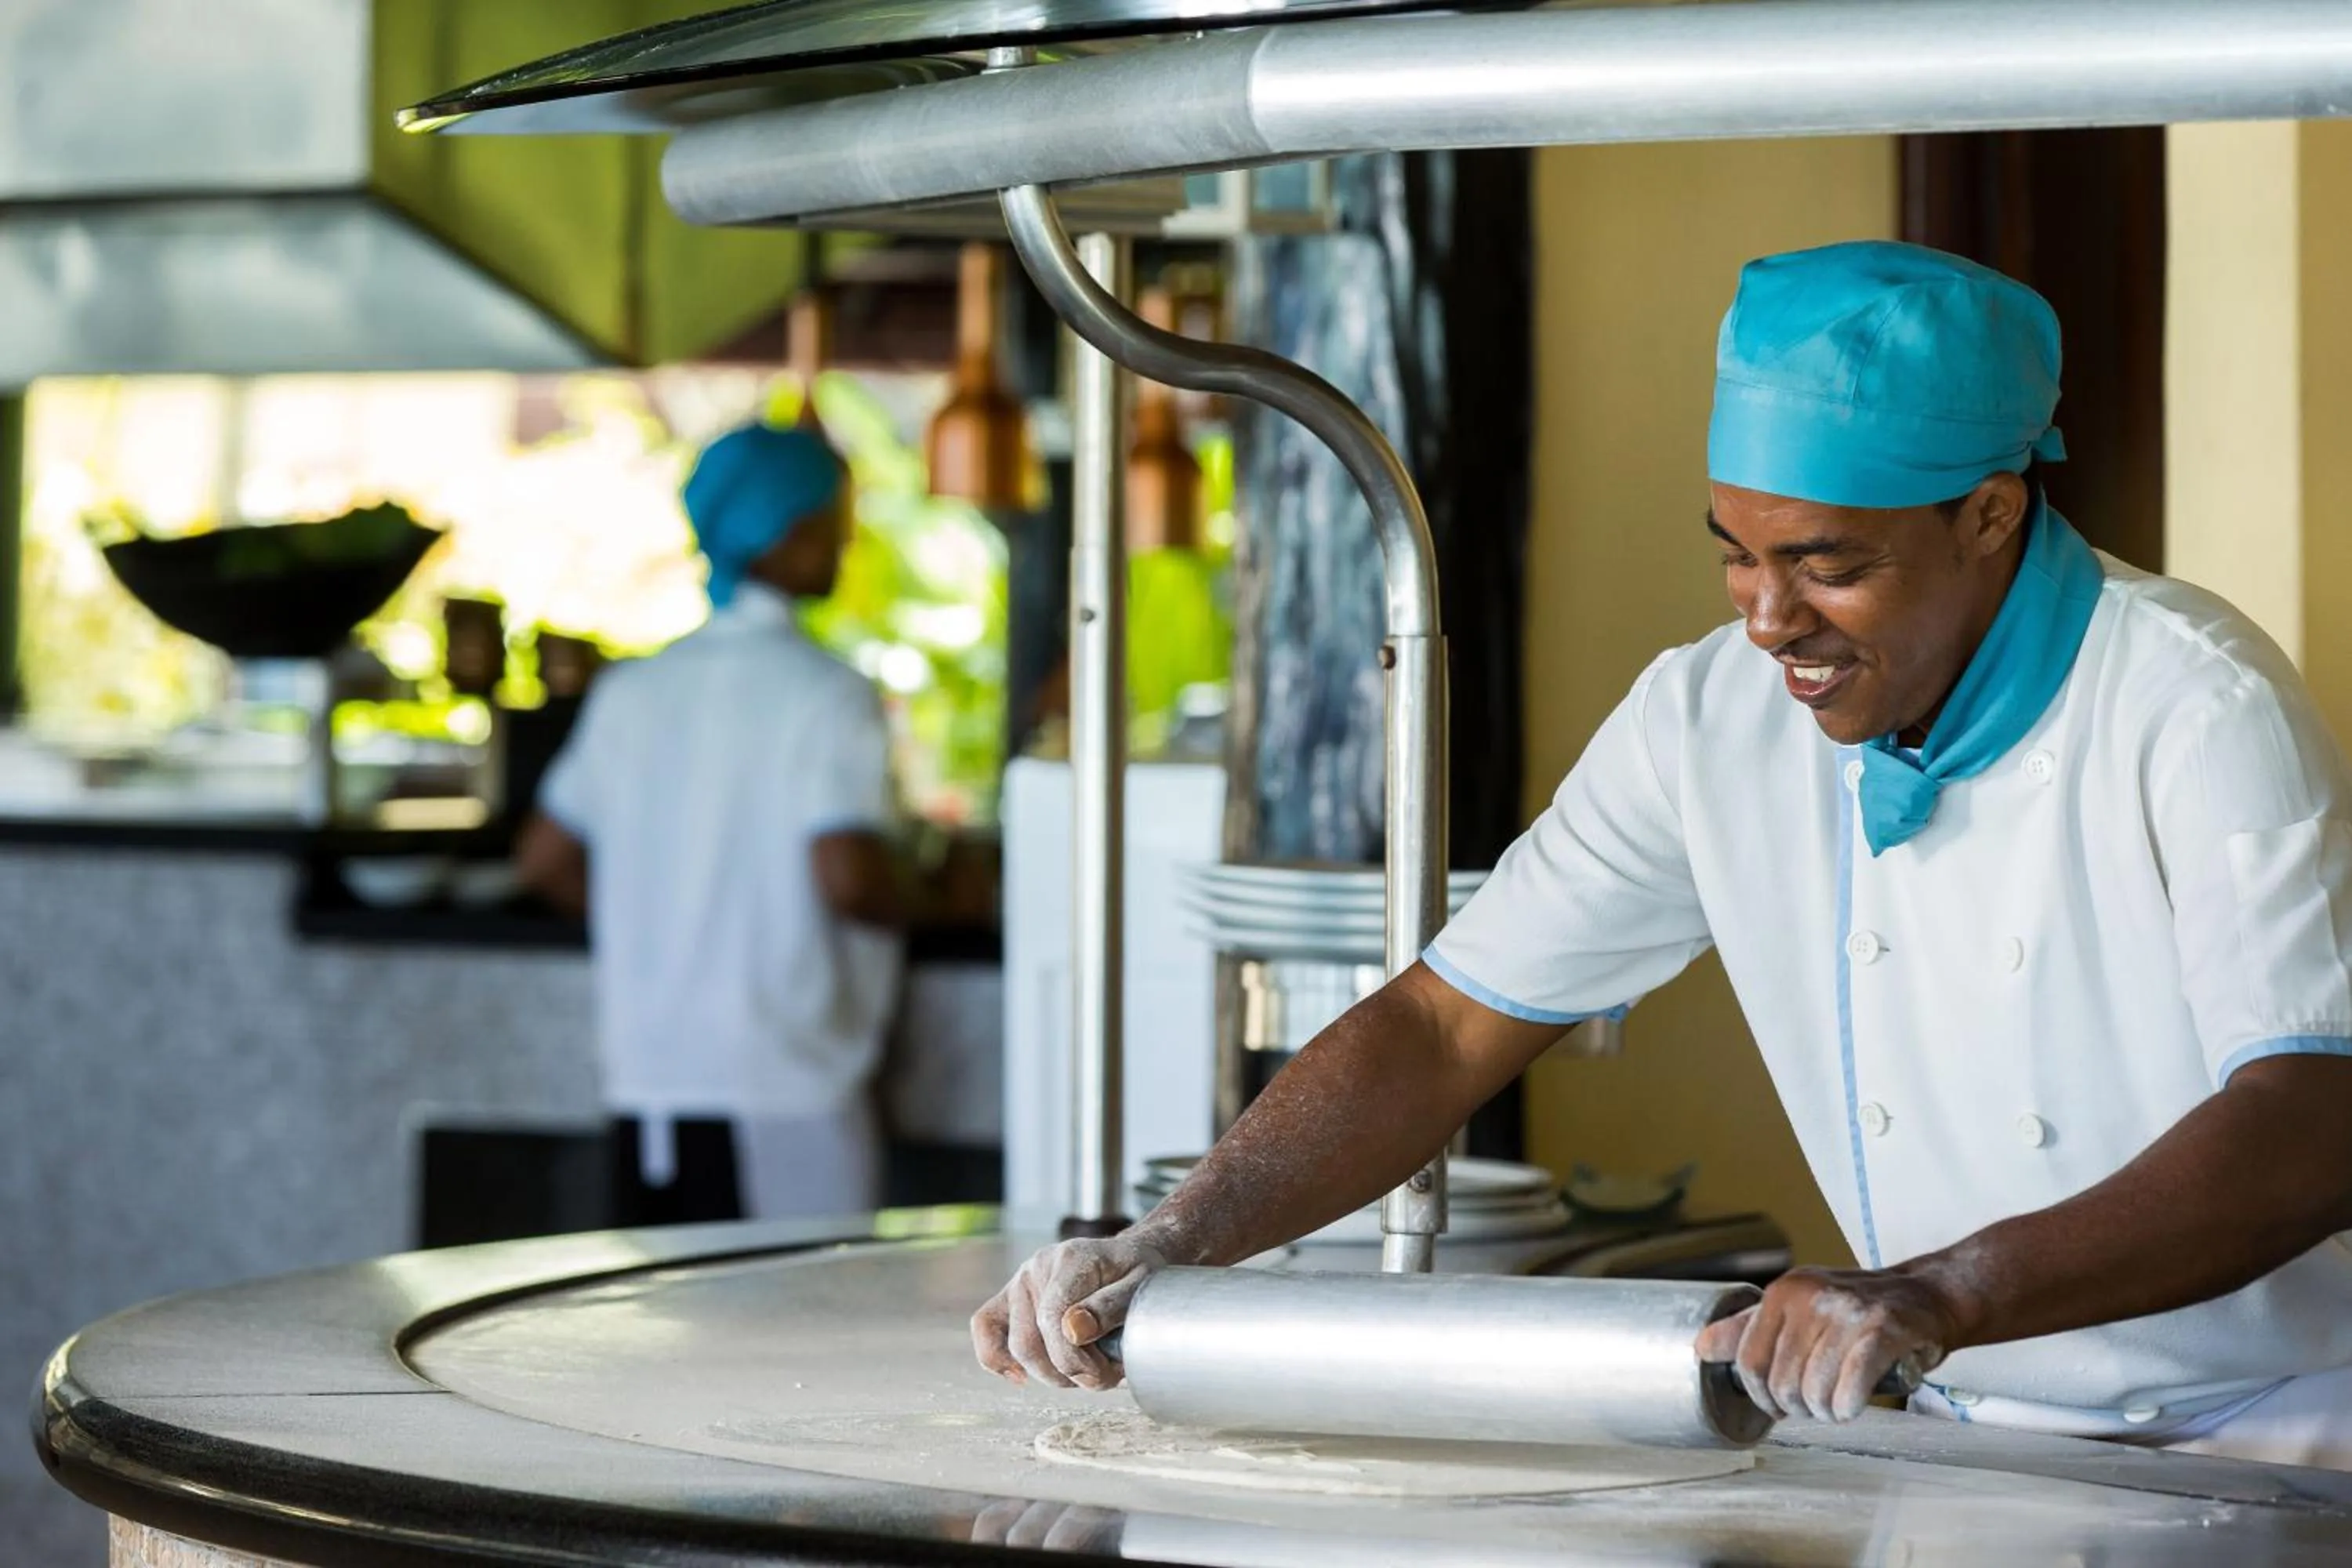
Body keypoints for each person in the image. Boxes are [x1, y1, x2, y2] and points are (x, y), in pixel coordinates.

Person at [972, 242, 2352, 1472]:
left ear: (1990, 516)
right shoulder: (1709, 720)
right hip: (1960, 1433)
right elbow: (1445, 1027)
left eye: (1827, 566)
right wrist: (1173, 1241)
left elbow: (2313, 1118)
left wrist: (1941, 1291)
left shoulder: (2194, 704)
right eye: (1737, 557)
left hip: (2270, 1434)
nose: (1767, 620)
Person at [515, 422, 916, 1225]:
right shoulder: (826, 693)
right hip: (786, 1086)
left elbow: (544, 860)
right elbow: (848, 876)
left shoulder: (633, 690)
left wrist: (661, 926)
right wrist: (941, 897)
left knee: (667, 1307)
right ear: (783, 532)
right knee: (807, 1303)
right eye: (831, 520)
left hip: (650, 1085)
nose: (844, 541)